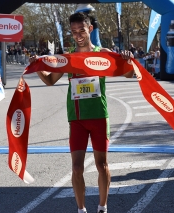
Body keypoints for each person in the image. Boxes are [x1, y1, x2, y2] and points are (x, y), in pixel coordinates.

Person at [29, 12, 134, 213]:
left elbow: (129, 73)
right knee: (77, 168)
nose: (78, 35)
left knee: (101, 165)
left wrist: (127, 59)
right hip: (76, 119)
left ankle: (102, 207)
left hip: (98, 117)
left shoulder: (102, 54)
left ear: (90, 29)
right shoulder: (68, 57)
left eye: (82, 31)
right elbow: (51, 80)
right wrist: (37, 67)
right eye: (74, 32)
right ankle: (81, 210)